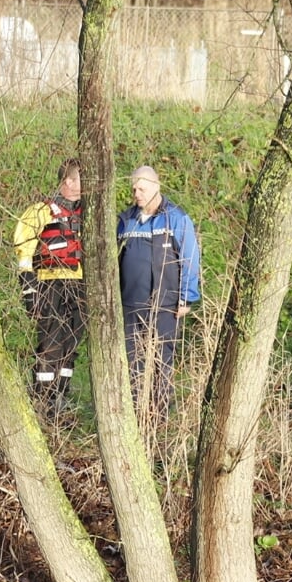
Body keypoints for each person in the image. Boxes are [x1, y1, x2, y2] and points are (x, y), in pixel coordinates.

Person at [116, 165, 200, 416]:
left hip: (166, 302)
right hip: (132, 302)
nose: (137, 193)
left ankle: (159, 412)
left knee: (162, 358)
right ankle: (135, 412)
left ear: (156, 187)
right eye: (133, 188)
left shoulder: (176, 218)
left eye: (141, 188)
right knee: (134, 359)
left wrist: (186, 296)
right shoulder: (126, 220)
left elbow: (189, 259)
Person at [14, 158, 85, 417]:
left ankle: (61, 395)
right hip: (48, 282)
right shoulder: (40, 211)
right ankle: (43, 401)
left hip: (78, 284)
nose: (85, 185)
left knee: (71, 345)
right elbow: (23, 252)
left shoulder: (86, 213)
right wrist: (29, 289)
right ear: (68, 181)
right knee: (50, 345)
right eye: (81, 179)